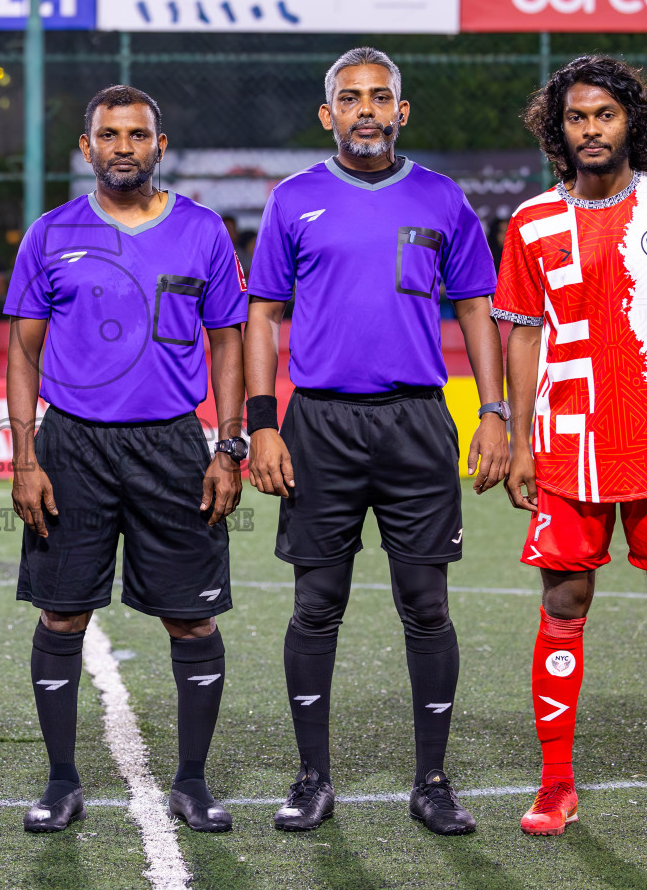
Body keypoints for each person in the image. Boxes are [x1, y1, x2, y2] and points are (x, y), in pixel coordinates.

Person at [246, 47, 508, 836]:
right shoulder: (293, 201)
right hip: (320, 423)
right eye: (350, 98)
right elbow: (262, 315)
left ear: (402, 112)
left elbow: (474, 310)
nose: (367, 109)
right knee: (315, 605)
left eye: (381, 97)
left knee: (427, 605)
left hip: (416, 423)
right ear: (328, 116)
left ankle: (431, 781)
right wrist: (262, 421)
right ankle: (312, 777)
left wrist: (494, 411)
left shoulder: (442, 197)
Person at [498, 55, 647, 839]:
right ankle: (556, 784)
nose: (591, 129)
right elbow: (525, 337)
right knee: (563, 604)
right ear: (557, 129)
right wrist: (524, 440)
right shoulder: (532, 223)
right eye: (576, 117)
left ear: (631, 120)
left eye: (604, 114)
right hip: (569, 450)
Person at [4, 85, 247, 834]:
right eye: (107, 134)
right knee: (63, 613)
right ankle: (61, 781)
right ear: (87, 149)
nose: (122, 147)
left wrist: (228, 445)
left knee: (192, 622)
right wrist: (24, 458)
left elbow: (229, 342)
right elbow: (21, 349)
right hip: (72, 443)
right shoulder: (50, 233)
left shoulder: (203, 232)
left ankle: (194, 782)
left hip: (173, 444)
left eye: (136, 134)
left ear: (158, 145)